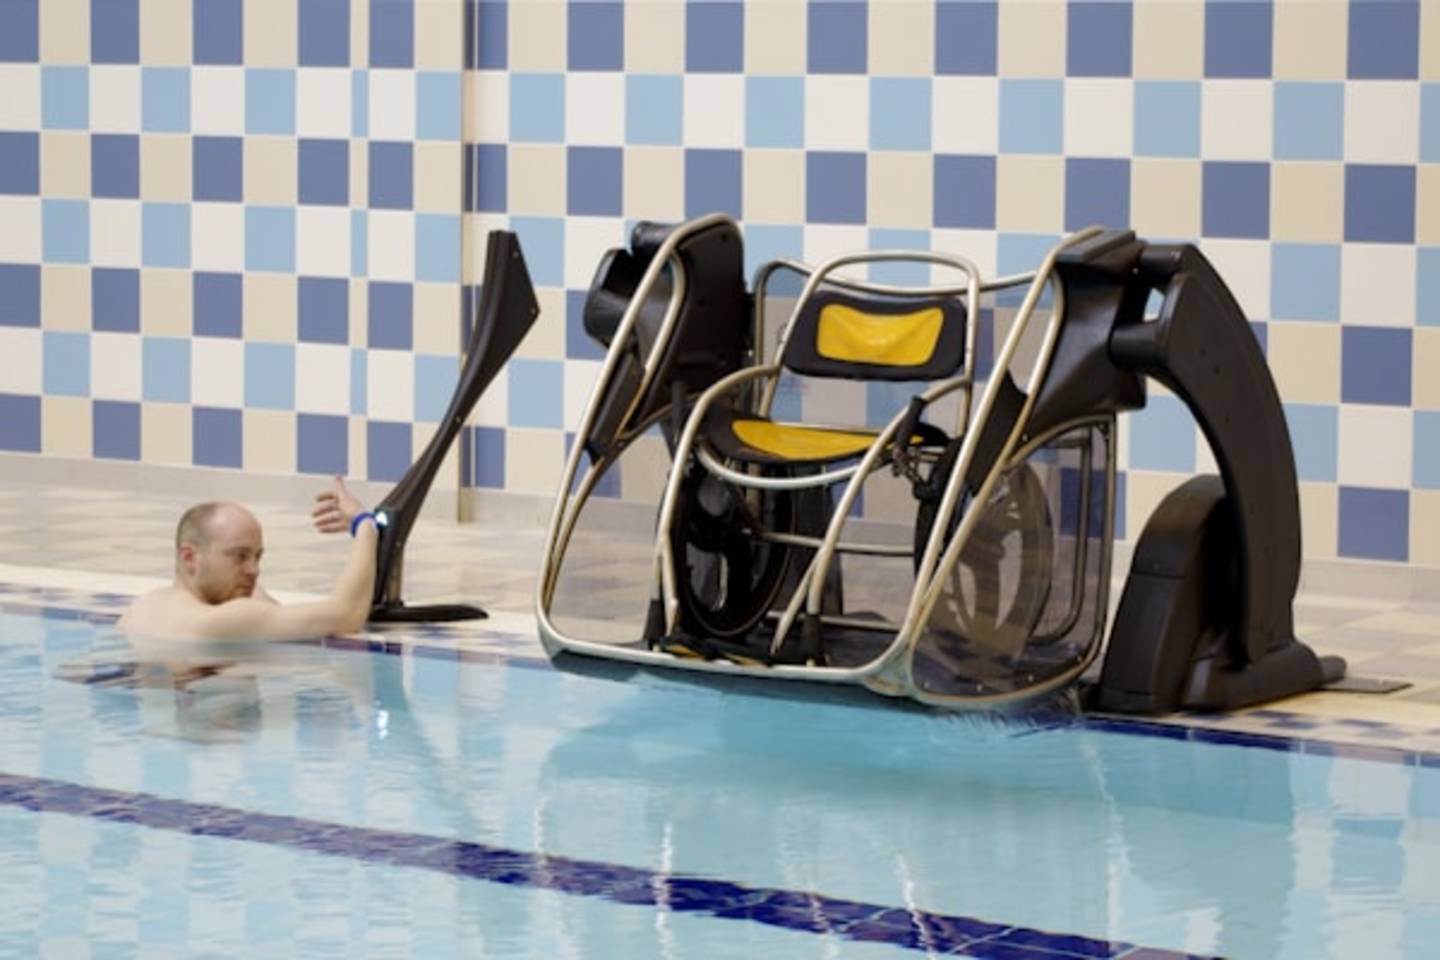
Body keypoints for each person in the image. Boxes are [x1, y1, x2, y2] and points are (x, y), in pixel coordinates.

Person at [118, 476, 380, 641]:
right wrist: (365, 525)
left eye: (257, 557)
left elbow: (267, 610)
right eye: (240, 556)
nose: (253, 570)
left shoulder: (143, 608)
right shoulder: (221, 622)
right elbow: (346, 615)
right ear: (189, 557)